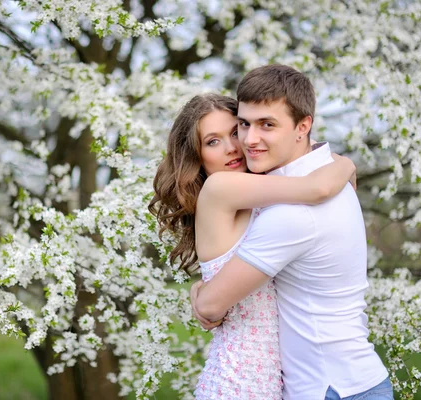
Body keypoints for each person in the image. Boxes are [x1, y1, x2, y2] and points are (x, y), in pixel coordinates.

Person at [191, 65, 392, 400]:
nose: (249, 140)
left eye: (267, 125)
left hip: (332, 388)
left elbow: (211, 307)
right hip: (347, 381)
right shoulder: (320, 177)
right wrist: (344, 163)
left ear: (303, 126)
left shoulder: (292, 215)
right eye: (245, 123)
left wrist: (200, 293)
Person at [149, 93, 356, 399]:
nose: (232, 147)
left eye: (235, 132)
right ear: (197, 155)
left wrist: (202, 290)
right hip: (238, 382)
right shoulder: (222, 187)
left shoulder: (258, 194)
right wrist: (346, 162)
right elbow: (319, 187)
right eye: (213, 141)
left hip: (272, 382)